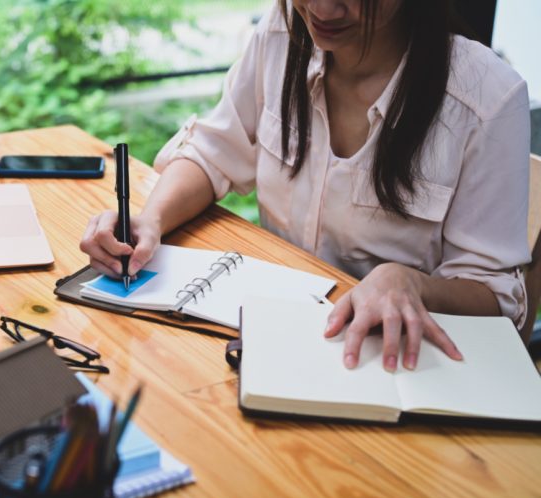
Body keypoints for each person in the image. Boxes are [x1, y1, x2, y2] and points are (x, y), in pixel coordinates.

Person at [80, 0, 531, 372]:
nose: (321, 8)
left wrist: (409, 284)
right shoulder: (282, 33)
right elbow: (212, 153)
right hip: (269, 341)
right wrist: (150, 219)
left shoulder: (485, 100)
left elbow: (494, 298)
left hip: (390, 363)